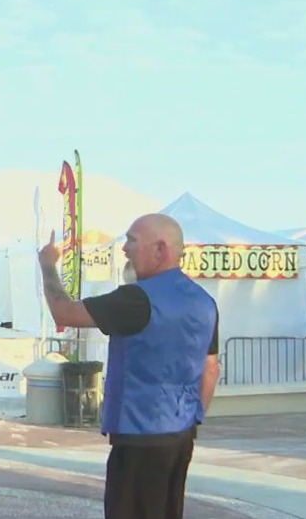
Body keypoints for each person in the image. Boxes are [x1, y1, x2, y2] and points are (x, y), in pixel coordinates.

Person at [38, 213, 221, 519]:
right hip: (180, 434)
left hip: (140, 435)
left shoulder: (136, 299)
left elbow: (64, 312)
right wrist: (193, 417)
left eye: (132, 241)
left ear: (160, 249)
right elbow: (211, 367)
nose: (125, 249)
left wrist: (47, 265)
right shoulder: (204, 301)